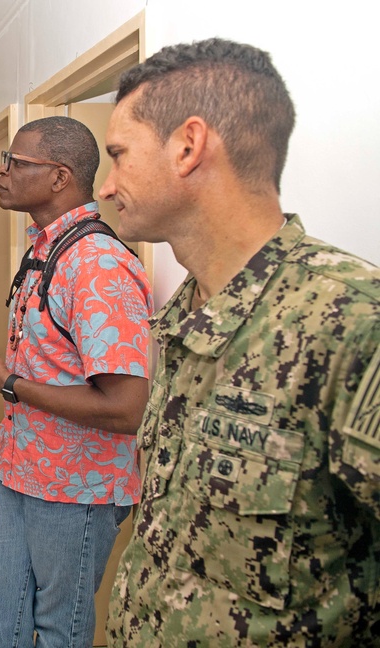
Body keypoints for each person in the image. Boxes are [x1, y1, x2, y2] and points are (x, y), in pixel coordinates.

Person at [101, 38, 380, 646]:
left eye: (119, 155)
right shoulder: (184, 313)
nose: (105, 185)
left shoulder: (351, 322)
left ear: (188, 146)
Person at [0, 116, 153, 647]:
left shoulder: (97, 265)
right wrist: (6, 447)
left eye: (16, 162)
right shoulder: (46, 248)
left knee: (58, 630)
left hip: (75, 489)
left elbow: (125, 406)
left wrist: (8, 382)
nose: (3, 171)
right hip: (22, 472)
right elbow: (52, 366)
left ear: (59, 177)